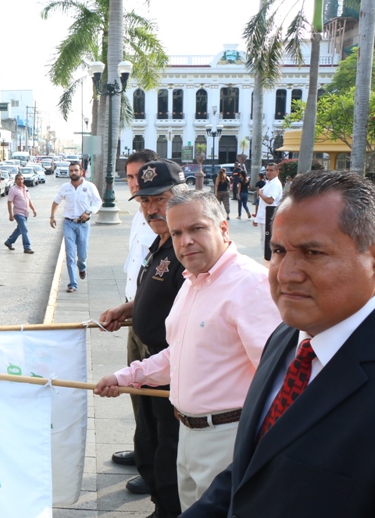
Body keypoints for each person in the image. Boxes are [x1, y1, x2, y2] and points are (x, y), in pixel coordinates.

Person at [182, 170, 375, 518]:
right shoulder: (287, 336)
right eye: (279, 250)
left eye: (313, 252)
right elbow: (248, 474)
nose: (285, 273)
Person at [95, 190, 282, 510]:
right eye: (177, 232)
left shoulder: (251, 286)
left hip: (228, 439)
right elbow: (179, 354)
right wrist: (127, 375)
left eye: (197, 228)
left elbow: (276, 379)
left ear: (223, 228)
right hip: (188, 434)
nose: (185, 241)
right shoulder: (191, 281)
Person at [97, 160, 187, 518]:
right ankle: (158, 502)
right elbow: (156, 294)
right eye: (145, 202)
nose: (152, 209)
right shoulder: (162, 241)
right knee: (147, 439)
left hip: (170, 366)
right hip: (149, 360)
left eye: (161, 200)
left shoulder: (185, 247)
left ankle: (168, 509)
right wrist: (129, 308)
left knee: (167, 448)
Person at [111, 149, 161, 496]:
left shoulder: (168, 221)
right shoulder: (138, 215)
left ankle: (155, 467)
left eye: (139, 177)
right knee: (137, 397)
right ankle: (143, 451)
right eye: (129, 178)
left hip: (158, 328)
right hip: (136, 317)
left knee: (155, 401)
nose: (134, 185)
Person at [50, 161, 102, 293]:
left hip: (83, 224)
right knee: (70, 255)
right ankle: (73, 283)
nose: (73, 173)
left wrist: (88, 212)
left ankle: (82, 267)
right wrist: (52, 216)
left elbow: (98, 202)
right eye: (71, 170)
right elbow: (56, 201)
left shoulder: (89, 186)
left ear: (81, 171)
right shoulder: (65, 187)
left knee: (82, 255)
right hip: (68, 223)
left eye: (76, 170)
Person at [253, 163, 281, 263]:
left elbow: (270, 200)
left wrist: (260, 194)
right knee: (263, 241)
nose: (268, 172)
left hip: (268, 217)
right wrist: (257, 217)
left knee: (267, 242)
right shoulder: (268, 183)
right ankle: (266, 262)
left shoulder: (275, 184)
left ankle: (269, 263)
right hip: (263, 217)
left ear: (277, 172)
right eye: (267, 170)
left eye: (271, 170)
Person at [4, 173, 37, 254]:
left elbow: (28, 200)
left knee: (20, 229)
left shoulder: (25, 188)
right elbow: (9, 202)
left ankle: (9, 242)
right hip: (18, 213)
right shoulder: (13, 190)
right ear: (15, 180)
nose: (20, 181)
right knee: (24, 229)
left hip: (26, 213)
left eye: (22, 179)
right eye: (18, 179)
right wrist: (10, 214)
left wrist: (33, 209)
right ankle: (27, 247)